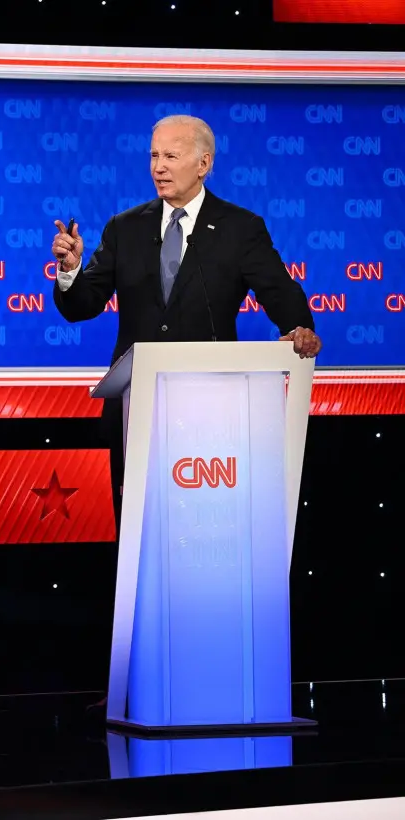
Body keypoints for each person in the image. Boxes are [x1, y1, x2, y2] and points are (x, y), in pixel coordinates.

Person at [50, 114, 321, 715]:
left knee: (206, 545)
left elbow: (279, 291)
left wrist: (298, 327)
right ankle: (136, 684)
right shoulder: (125, 228)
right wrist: (69, 269)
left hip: (215, 418)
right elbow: (84, 303)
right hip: (139, 413)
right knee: (141, 544)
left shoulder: (241, 229)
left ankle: (212, 676)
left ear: (204, 163)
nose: (158, 166)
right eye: (152, 156)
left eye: (171, 156)